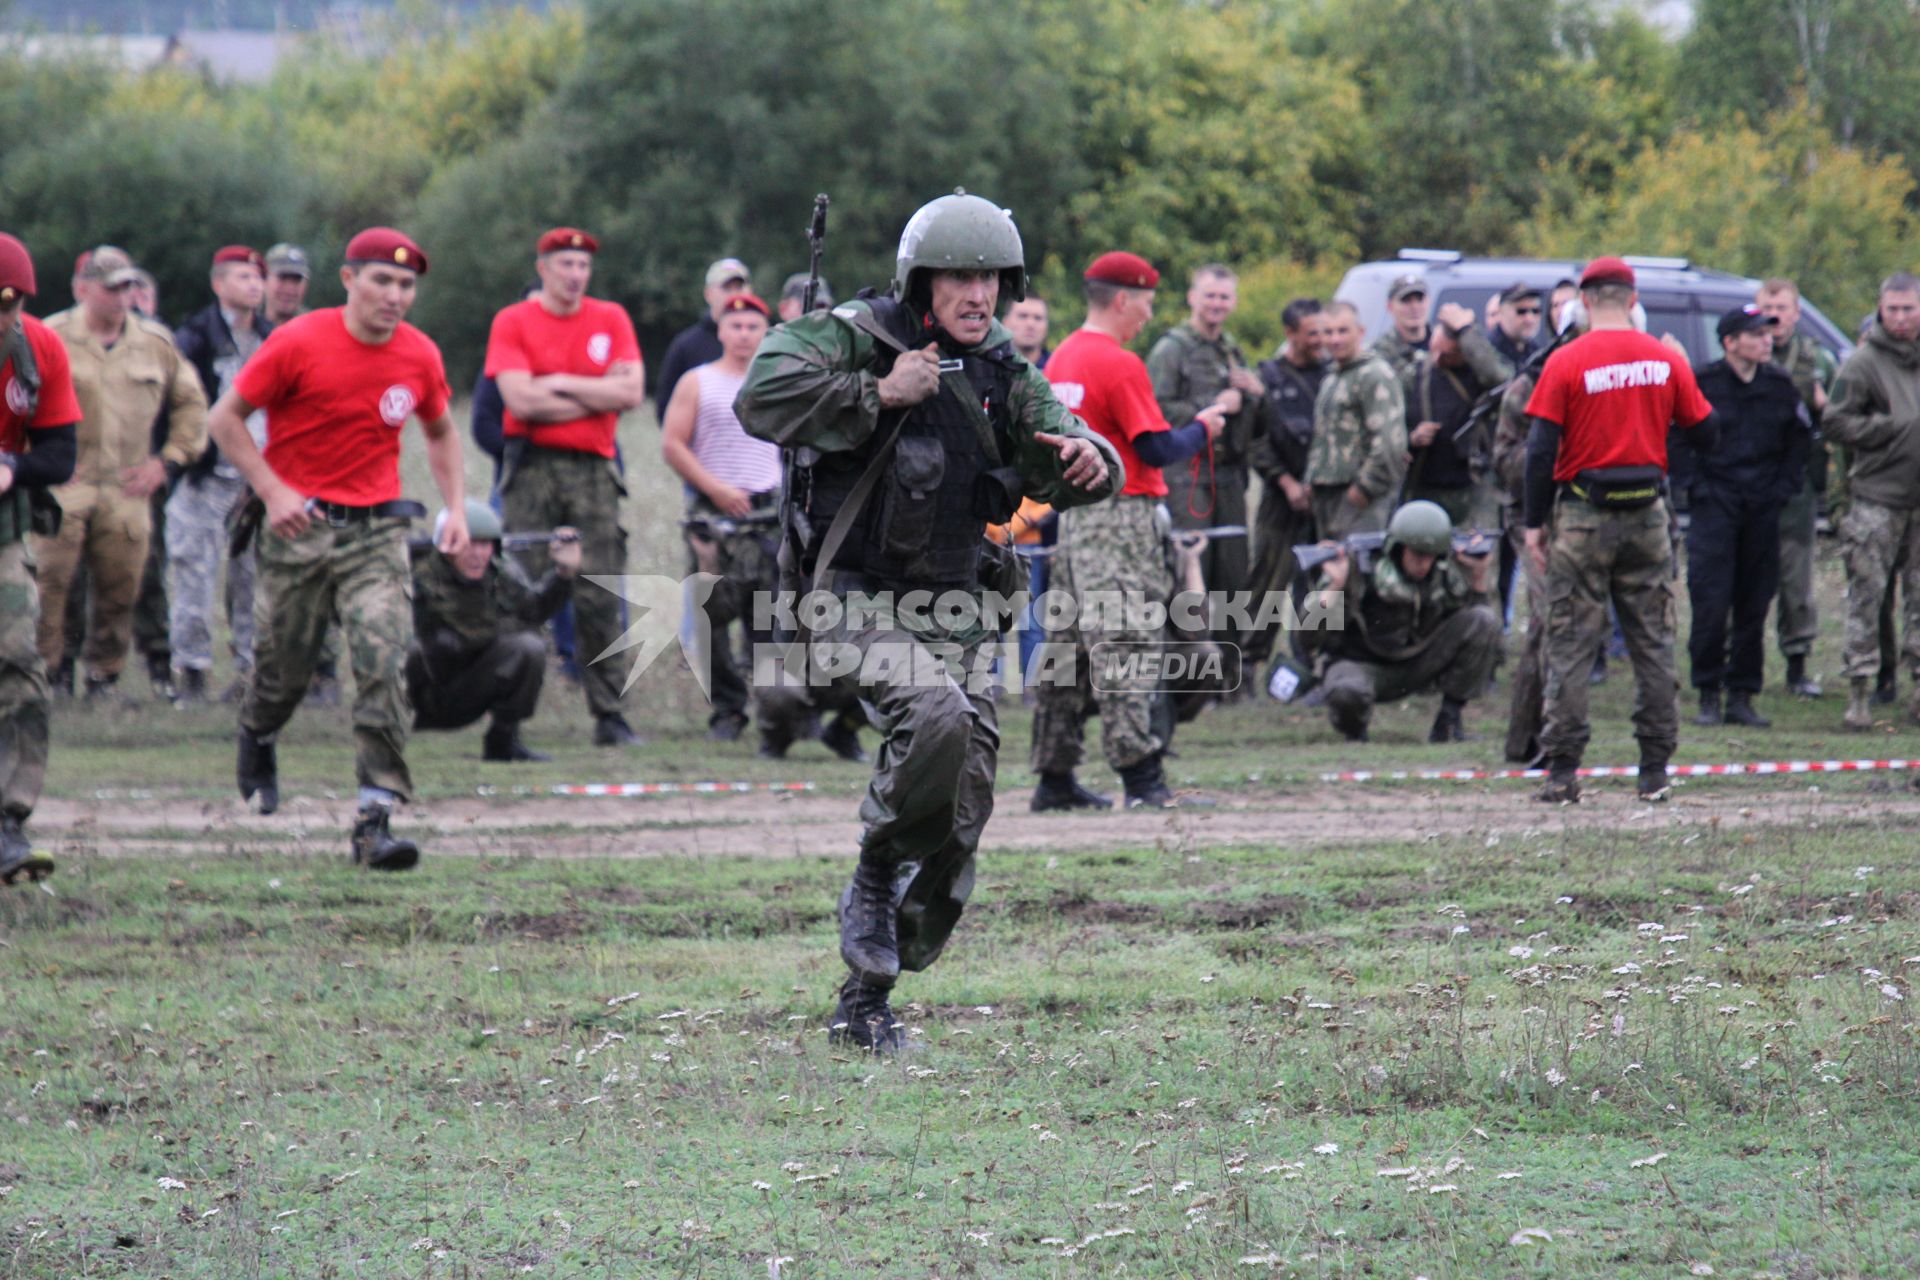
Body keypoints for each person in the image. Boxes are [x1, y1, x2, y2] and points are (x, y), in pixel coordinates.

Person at [736, 191, 1122, 1053]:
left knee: (963, 809)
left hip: (955, 608)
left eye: (991, 276)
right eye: (960, 274)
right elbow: (760, 397)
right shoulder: (859, 331)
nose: (978, 293)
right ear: (922, 280)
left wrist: (1093, 463)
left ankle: (865, 1001)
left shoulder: (1006, 376)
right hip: (850, 595)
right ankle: (876, 867)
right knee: (936, 716)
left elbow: (1073, 442)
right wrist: (876, 392)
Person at [211, 226, 469, 870]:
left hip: (378, 531)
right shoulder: (298, 340)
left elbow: (439, 432)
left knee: (383, 658)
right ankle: (259, 729)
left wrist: (457, 507)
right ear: (349, 279)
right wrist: (272, 492)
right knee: (286, 671)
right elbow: (225, 420)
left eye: (406, 285)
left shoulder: (419, 355)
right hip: (300, 529)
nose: (395, 295)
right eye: (382, 280)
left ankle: (374, 816)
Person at [1029, 250, 1226, 810]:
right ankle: (1142, 778)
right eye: (1145, 303)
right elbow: (1155, 447)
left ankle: (1055, 777)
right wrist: (1202, 428)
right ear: (1121, 300)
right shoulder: (1119, 363)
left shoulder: (1061, 357)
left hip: (1074, 522)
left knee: (1067, 653)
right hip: (1121, 517)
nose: (1148, 314)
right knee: (1126, 644)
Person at [1522, 257, 1714, 803]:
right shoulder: (1664, 359)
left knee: (1572, 642)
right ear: (1632, 301)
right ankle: (1654, 770)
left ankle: (1562, 771)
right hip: (1649, 515)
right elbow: (1708, 436)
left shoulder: (1566, 360)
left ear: (1583, 301)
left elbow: (1539, 453)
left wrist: (1535, 525)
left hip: (1582, 516)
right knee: (1653, 642)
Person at [486, 228, 647, 746]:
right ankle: (507, 721)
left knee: (601, 590)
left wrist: (555, 382)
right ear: (543, 268)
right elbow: (520, 402)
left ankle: (610, 715)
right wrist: (598, 395)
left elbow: (632, 392)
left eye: (582, 266)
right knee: (521, 587)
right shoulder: (513, 321)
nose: (575, 275)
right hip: (530, 468)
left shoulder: (610, 318)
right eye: (565, 265)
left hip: (593, 471)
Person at [38, 247, 207, 702]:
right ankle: (46, 674)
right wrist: (33, 462)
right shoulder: (48, 337)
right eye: (111, 287)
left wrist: (166, 461)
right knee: (50, 582)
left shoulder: (155, 343)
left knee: (121, 587)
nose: (122, 296)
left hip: (126, 484)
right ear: (83, 290)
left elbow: (192, 406)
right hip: (63, 483)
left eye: (128, 286)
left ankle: (103, 676)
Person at [1679, 304, 1811, 729]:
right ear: (1730, 342)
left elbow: (1799, 441)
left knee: (1754, 603)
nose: (1765, 340)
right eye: (1754, 334)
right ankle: (1707, 693)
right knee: (1711, 601)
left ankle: (1742, 694)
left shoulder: (1779, 384)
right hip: (1715, 505)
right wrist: (1695, 488)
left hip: (1761, 507)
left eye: (1767, 333)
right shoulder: (1703, 383)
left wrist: (1781, 491)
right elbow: (1677, 437)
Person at [0, 232, 81, 883]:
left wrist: (10, 465)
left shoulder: (37, 349)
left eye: (11, 305)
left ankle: (7, 819)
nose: (3, 320)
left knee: (20, 662)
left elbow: (60, 455)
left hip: (2, 528)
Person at [1148, 265, 1264, 705]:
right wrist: (1212, 405)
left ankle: (1231, 676)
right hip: (1185, 474)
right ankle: (1188, 675)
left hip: (1230, 475)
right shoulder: (1171, 349)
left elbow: (1256, 422)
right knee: (1189, 572)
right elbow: (1155, 412)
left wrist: (1254, 392)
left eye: (1224, 298)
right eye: (1210, 296)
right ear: (1192, 298)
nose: (1217, 305)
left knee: (1232, 573)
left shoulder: (1232, 351)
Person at [168, 245, 275, 704]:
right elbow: (175, 404)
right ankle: (191, 672)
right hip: (207, 475)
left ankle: (251, 671)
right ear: (218, 284)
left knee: (253, 577)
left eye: (258, 277)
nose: (254, 284)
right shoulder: (193, 338)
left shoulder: (275, 338)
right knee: (194, 571)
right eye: (242, 276)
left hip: (259, 478)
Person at [1302, 500, 1501, 743]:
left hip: (1419, 663)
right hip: (1361, 664)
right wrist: (1334, 586)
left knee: (1484, 620)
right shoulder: (1358, 568)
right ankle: (1355, 732)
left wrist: (1478, 581)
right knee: (1347, 692)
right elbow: (1306, 638)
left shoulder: (1447, 572)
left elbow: (1488, 638)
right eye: (1417, 554)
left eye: (1430, 556)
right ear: (1399, 547)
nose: (1424, 564)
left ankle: (1449, 722)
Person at [409, 500, 577, 762]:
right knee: (409, 649)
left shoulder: (500, 573)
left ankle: (504, 741)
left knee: (528, 648)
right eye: (468, 544)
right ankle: (384, 740)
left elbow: (535, 610)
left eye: (485, 544)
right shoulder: (416, 573)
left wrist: (563, 573)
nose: (478, 554)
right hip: (419, 694)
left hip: (470, 688)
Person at [1824, 272, 1920, 731]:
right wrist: (1883, 430)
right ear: (1881, 310)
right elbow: (1835, 422)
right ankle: (1860, 691)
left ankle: (1918, 687)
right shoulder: (1862, 363)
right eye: (1893, 309)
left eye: (1909, 308)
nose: (1900, 318)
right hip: (1877, 497)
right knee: (1867, 596)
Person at [1755, 277, 1837, 699]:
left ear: (1796, 312)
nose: (1775, 317)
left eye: (1782, 308)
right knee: (1746, 578)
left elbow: (1844, 417)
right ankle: (1740, 666)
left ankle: (1797, 666)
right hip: (1752, 483)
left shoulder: (1816, 360)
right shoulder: (1746, 353)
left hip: (1798, 487)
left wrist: (1826, 407)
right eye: (1768, 308)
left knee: (1795, 579)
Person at [1244, 299, 1328, 668]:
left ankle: (1312, 659)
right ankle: (1248, 660)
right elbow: (1254, 440)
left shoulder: (1333, 375)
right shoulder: (1266, 379)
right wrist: (1286, 482)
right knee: (1265, 581)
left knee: (1320, 581)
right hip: (1280, 498)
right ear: (1290, 334)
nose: (1321, 340)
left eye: (1324, 332)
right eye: (1312, 333)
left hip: (1324, 497)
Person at [1402, 300, 1511, 530]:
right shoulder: (1415, 374)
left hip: (1473, 488)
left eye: (1449, 355)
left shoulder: (1480, 376)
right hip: (1426, 484)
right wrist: (1412, 438)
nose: (1438, 359)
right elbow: (1393, 424)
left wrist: (1466, 329)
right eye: (1435, 351)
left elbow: (1500, 379)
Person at [1306, 300, 1406, 540]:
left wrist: (1363, 489)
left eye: (1343, 330)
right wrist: (1310, 480)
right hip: (1327, 492)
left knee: (1355, 568)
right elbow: (1322, 437)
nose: (1335, 339)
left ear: (1360, 332)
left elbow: (1390, 443)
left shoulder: (1374, 374)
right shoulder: (1332, 377)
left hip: (1360, 496)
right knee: (1330, 571)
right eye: (1328, 332)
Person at [656, 258, 749, 409]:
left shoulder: (763, 343)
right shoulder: (686, 345)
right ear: (708, 294)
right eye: (726, 288)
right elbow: (666, 406)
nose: (734, 294)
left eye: (739, 287)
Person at [1370, 273, 1430, 381]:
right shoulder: (1380, 352)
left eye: (1419, 299)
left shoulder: (1443, 345)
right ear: (1390, 306)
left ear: (1428, 302)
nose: (1415, 307)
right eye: (1406, 301)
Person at [1488, 282, 1545, 368]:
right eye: (1521, 311)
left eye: (1535, 311)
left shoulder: (1536, 353)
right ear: (1502, 313)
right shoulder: (1489, 350)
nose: (1529, 319)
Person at [263, 244, 311, 326]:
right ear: (264, 279)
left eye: (297, 280)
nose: (289, 289)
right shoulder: (246, 325)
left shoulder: (315, 329)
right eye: (282, 278)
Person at [1005, 293, 1050, 369]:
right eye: (1023, 316)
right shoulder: (987, 367)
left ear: (1046, 327)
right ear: (1005, 322)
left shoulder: (1058, 368)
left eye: (1038, 318)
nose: (1030, 324)